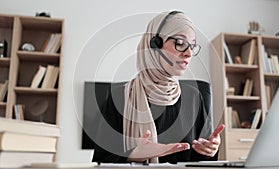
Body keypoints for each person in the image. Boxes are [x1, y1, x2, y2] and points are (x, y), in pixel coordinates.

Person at [92, 10, 225, 164]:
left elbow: (200, 161)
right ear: (154, 44)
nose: (189, 53)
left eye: (192, 46)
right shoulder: (119, 96)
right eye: (180, 43)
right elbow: (100, 160)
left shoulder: (195, 96)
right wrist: (133, 154)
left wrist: (209, 151)